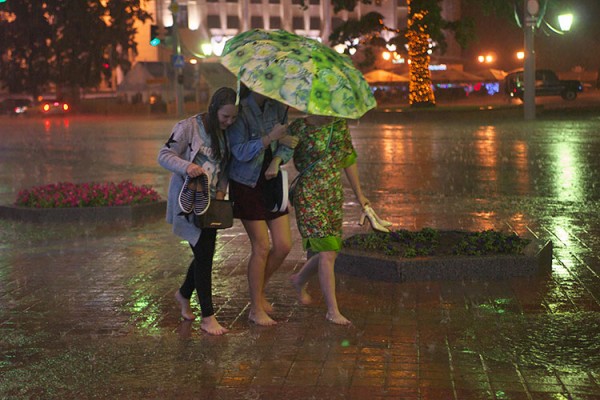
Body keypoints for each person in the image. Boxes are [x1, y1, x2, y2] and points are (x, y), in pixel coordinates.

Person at [288, 115, 391, 325]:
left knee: (332, 250)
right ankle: (332, 311)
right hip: (308, 194)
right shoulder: (298, 127)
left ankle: (299, 280)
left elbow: (348, 160)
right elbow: (282, 153)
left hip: (333, 194)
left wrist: (359, 195)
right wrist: (279, 144)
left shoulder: (339, 126)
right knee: (326, 252)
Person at [157, 87, 238, 335]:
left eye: (233, 117)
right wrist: (187, 166)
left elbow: (225, 166)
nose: (229, 122)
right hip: (189, 203)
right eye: (225, 116)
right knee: (204, 255)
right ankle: (208, 317)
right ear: (214, 109)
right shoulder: (188, 127)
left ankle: (183, 294)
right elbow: (164, 155)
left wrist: (222, 191)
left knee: (205, 254)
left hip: (211, 205)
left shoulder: (226, 133)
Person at [226, 86, 299, 326]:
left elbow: (288, 144)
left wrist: (276, 162)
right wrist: (270, 138)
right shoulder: (241, 111)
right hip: (246, 183)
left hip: (271, 180)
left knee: (284, 245)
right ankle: (255, 308)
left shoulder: (278, 107)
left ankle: (257, 292)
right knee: (261, 247)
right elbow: (238, 151)